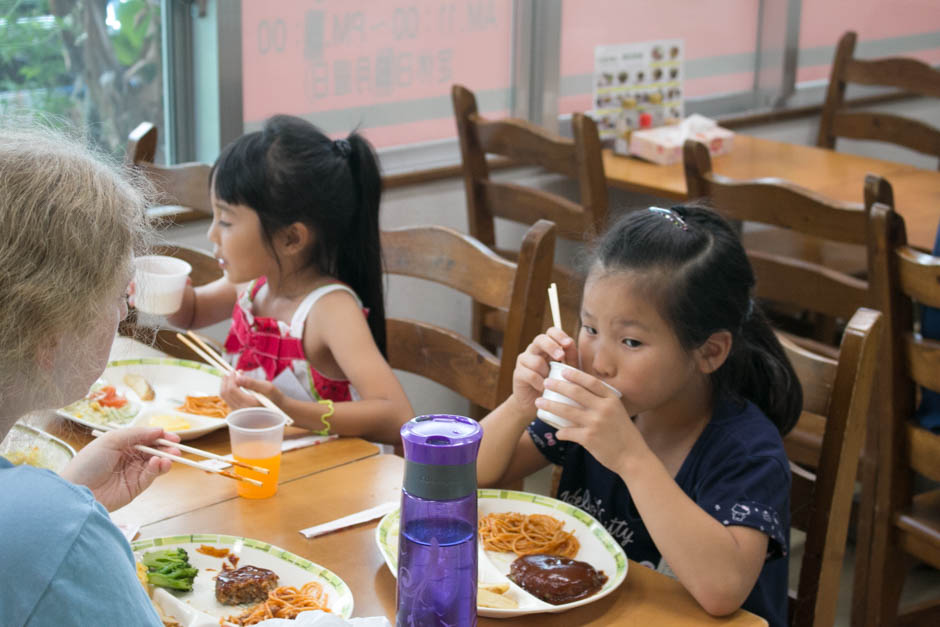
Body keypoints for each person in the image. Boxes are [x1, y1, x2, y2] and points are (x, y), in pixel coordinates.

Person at [477, 205, 802, 626]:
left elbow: (722, 591)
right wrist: (520, 406)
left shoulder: (746, 450)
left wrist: (631, 458)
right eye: (590, 328)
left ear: (709, 351)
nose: (599, 361)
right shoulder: (592, 410)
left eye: (630, 341)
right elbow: (460, 479)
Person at [0, 123, 180, 624]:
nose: (124, 316)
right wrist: (64, 526)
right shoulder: (52, 530)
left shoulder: (43, 520)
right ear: (48, 331)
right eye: (119, 292)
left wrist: (63, 495)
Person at [163, 115, 412, 444]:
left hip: (330, 477)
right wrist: (166, 294)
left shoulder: (329, 310)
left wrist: (286, 408)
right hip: (265, 464)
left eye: (225, 220)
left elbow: (397, 417)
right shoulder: (253, 286)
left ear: (291, 238)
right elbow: (191, 315)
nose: (212, 234)